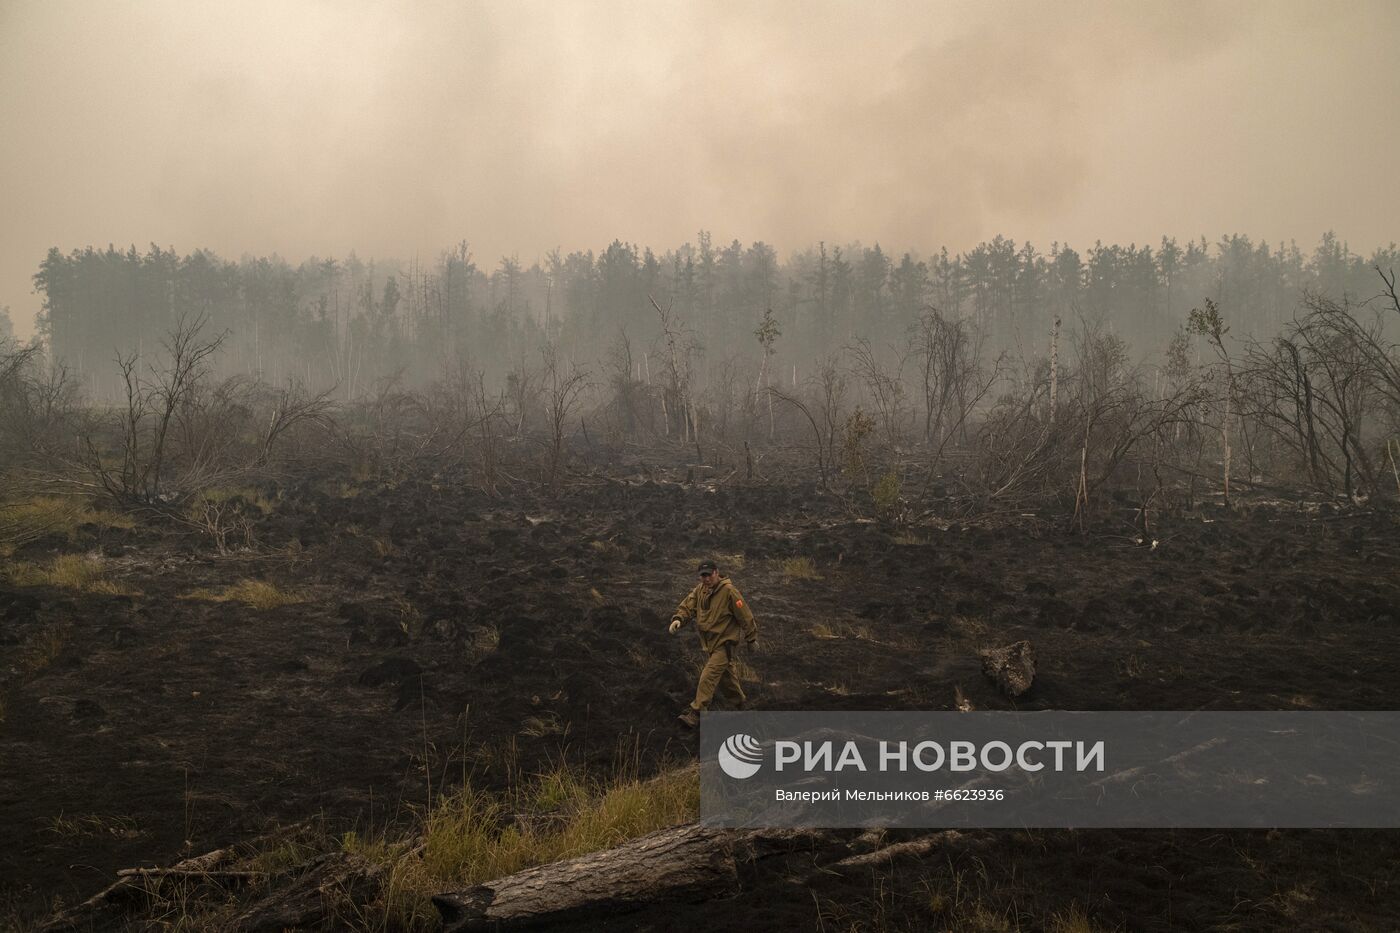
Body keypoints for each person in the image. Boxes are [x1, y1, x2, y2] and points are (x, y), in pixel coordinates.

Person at [669, 559, 759, 728]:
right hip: (711, 643)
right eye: (703, 576)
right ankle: (741, 704)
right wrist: (679, 618)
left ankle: (696, 713)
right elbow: (688, 606)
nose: (706, 579)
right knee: (727, 679)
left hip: (725, 644)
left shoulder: (729, 592)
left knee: (708, 676)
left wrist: (751, 638)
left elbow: (745, 615)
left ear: (717, 573)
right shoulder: (700, 590)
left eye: (709, 575)